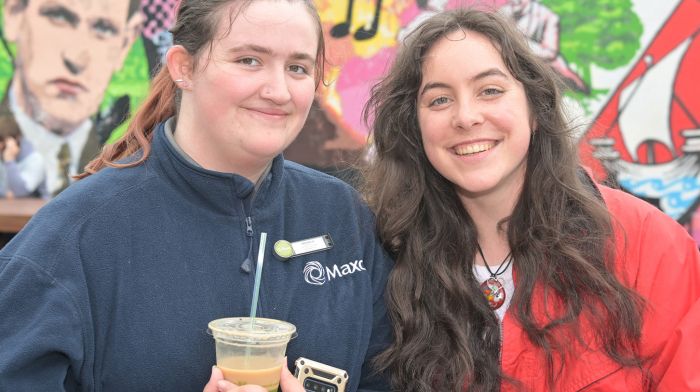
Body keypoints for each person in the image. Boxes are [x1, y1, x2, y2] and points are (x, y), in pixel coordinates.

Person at [0, 1, 392, 391]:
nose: (278, 91)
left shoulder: (344, 218)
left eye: (298, 68)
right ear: (183, 68)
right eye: (249, 60)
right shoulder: (72, 239)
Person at [362, 8, 700, 391]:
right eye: (439, 100)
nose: (466, 117)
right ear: (415, 128)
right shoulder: (389, 260)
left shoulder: (644, 242)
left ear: (534, 110)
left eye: (490, 90)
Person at [0, 0, 143, 196]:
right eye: (58, 16)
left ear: (126, 43)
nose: (76, 58)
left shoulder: (126, 159)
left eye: (103, 28)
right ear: (14, 13)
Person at [0, 128, 47, 198]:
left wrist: (9, 160)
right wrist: (4, 192)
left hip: (36, 206)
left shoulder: (36, 159)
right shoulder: (2, 155)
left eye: (2, 140)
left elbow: (20, 191)